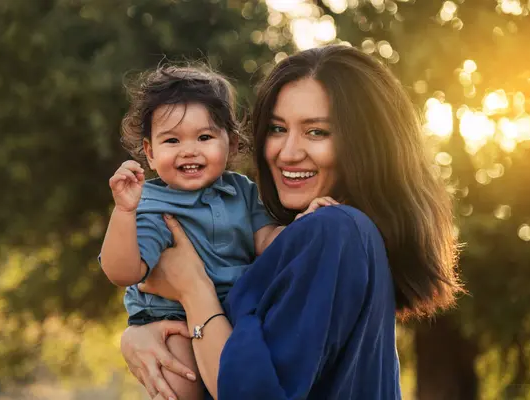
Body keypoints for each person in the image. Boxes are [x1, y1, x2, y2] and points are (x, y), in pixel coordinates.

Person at [120, 45, 463, 400]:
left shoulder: (334, 231)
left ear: (364, 144)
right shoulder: (320, 237)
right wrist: (139, 334)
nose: (288, 152)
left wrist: (193, 290)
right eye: (277, 128)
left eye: (317, 132)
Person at [99, 65, 336, 400]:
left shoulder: (242, 191)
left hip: (233, 316)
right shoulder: (152, 204)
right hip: (172, 320)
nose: (189, 150)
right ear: (150, 153)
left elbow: (266, 240)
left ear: (233, 143)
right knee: (179, 385)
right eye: (171, 140)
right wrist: (124, 212)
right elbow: (124, 271)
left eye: (205, 137)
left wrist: (303, 228)